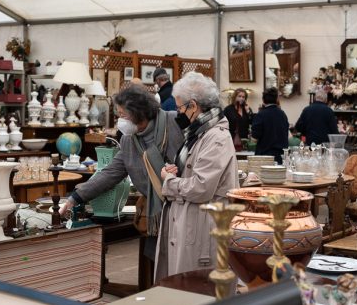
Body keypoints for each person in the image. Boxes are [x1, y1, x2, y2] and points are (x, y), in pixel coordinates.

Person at [60, 85, 184, 259]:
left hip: (183, 208)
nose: (120, 121)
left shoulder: (174, 122)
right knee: (158, 263)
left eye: (123, 115)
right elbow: (109, 173)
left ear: (139, 112)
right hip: (156, 216)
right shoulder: (128, 140)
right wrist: (75, 198)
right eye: (118, 115)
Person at [156, 72, 238, 281]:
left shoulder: (215, 137)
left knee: (196, 289)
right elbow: (195, 170)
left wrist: (169, 181)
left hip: (201, 229)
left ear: (193, 106)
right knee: (183, 287)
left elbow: (201, 187)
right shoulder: (199, 132)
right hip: (192, 223)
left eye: (179, 108)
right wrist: (176, 170)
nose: (178, 113)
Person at [251, 88, 289, 164]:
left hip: (264, 156)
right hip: (280, 156)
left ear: (263, 100)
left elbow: (254, 139)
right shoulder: (282, 114)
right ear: (277, 99)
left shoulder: (260, 115)